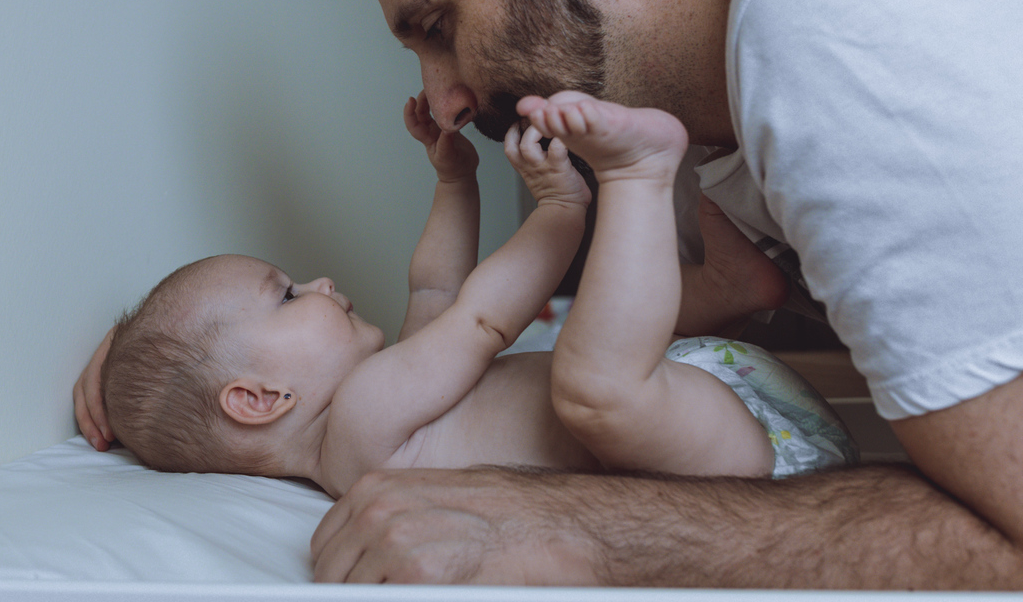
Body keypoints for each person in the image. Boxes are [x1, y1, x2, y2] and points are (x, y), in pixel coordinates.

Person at [80, 0, 1023, 587]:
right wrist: (159, 378)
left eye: (439, 24)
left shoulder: (834, 11)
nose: (443, 98)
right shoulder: (730, 81)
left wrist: (583, 526)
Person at [97, 93, 854, 498]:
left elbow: (435, 286)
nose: (321, 282)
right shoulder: (363, 421)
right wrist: (561, 208)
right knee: (587, 366)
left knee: (578, 340)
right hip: (742, 467)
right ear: (259, 399)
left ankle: (727, 288)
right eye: (289, 295)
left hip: (713, 414)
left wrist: (452, 179)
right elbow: (483, 317)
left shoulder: (374, 421)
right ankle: (637, 179)